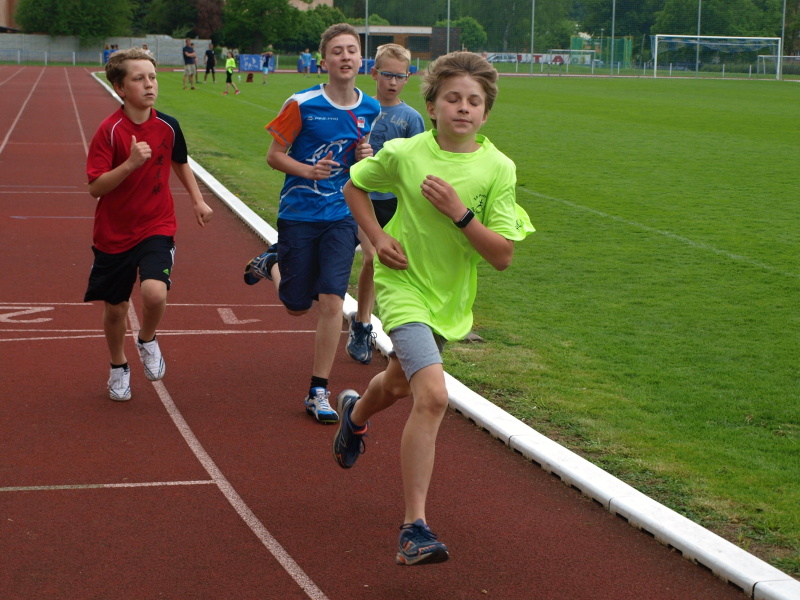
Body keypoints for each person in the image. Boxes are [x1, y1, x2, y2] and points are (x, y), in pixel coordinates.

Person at [333, 51, 534, 565]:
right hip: (403, 286)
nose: (463, 108)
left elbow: (502, 256)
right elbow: (354, 186)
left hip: (449, 299)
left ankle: (355, 415)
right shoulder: (405, 153)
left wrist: (460, 213)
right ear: (432, 105)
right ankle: (414, 529)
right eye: (453, 98)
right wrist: (377, 238)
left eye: (474, 101)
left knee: (398, 384)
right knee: (433, 396)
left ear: (485, 112)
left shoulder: (498, 168)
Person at [241, 23, 380, 424]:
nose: (345, 56)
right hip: (299, 213)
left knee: (334, 302)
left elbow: (360, 162)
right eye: (337, 51)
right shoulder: (301, 104)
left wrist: (366, 156)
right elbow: (273, 155)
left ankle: (318, 390)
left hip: (341, 215)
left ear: (361, 59)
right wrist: (308, 170)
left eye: (351, 50)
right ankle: (272, 262)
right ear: (323, 61)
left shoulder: (369, 109)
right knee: (296, 307)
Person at [84, 47, 213, 402]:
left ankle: (147, 339)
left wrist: (197, 199)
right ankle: (118, 365)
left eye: (152, 77)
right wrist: (129, 164)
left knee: (155, 293)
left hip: (157, 223)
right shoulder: (109, 131)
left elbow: (179, 161)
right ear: (120, 88)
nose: (149, 84)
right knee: (115, 309)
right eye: (139, 79)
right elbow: (95, 187)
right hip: (114, 233)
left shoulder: (168, 125)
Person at [346, 43, 425, 365]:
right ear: (374, 73)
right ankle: (363, 324)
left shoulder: (411, 118)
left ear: (408, 78)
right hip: (361, 196)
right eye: (387, 74)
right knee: (370, 256)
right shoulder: (360, 110)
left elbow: (419, 163)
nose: (393, 82)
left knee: (396, 264)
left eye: (400, 76)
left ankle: (393, 328)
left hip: (395, 202)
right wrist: (356, 155)